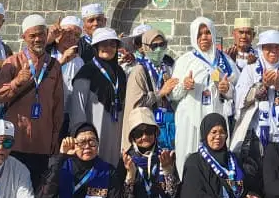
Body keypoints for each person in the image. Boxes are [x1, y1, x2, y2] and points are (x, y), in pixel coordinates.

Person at [0, 14, 64, 198]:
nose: (37, 39)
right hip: (16, 143)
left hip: (43, 145)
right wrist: (17, 82)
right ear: (24, 37)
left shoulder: (54, 66)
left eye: (41, 34)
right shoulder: (12, 62)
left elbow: (57, 106)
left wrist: (55, 138)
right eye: (32, 35)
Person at [230, 30, 279, 168]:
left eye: (277, 47)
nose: (273, 51)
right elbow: (241, 100)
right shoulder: (250, 70)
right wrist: (262, 86)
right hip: (255, 135)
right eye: (268, 47)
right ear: (261, 49)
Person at [171, 17, 237, 177]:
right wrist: (184, 85)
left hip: (215, 115)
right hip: (191, 118)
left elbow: (235, 92)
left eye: (207, 32)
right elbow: (173, 94)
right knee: (189, 155)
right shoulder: (185, 61)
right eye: (199, 34)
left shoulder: (225, 61)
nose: (204, 37)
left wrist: (226, 89)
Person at [69, 27, 127, 166]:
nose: (108, 48)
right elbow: (78, 107)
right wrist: (82, 134)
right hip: (92, 129)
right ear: (96, 47)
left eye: (112, 44)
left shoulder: (120, 72)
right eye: (104, 44)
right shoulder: (87, 71)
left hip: (115, 129)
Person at [122, 29, 179, 148]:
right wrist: (160, 93)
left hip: (168, 124)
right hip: (147, 129)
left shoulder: (169, 67)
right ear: (145, 47)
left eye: (162, 45)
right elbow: (136, 104)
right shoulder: (139, 71)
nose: (158, 49)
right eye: (154, 46)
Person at [46, 15, 84, 137]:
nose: (72, 37)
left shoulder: (79, 61)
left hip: (68, 115)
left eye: (77, 35)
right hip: (47, 112)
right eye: (68, 32)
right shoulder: (46, 55)